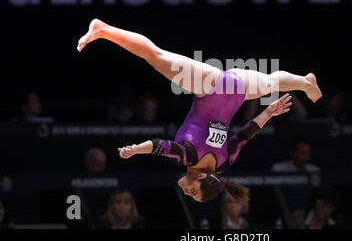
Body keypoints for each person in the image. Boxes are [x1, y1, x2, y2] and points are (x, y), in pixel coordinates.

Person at [77, 19, 322, 203]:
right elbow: (160, 146)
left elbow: (245, 135)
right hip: (211, 86)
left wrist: (268, 113)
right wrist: (135, 151)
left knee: (271, 82)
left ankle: (304, 82)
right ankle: (101, 29)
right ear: (203, 179)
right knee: (155, 56)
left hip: (237, 89)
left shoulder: (224, 164)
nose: (185, 190)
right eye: (192, 192)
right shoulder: (190, 158)